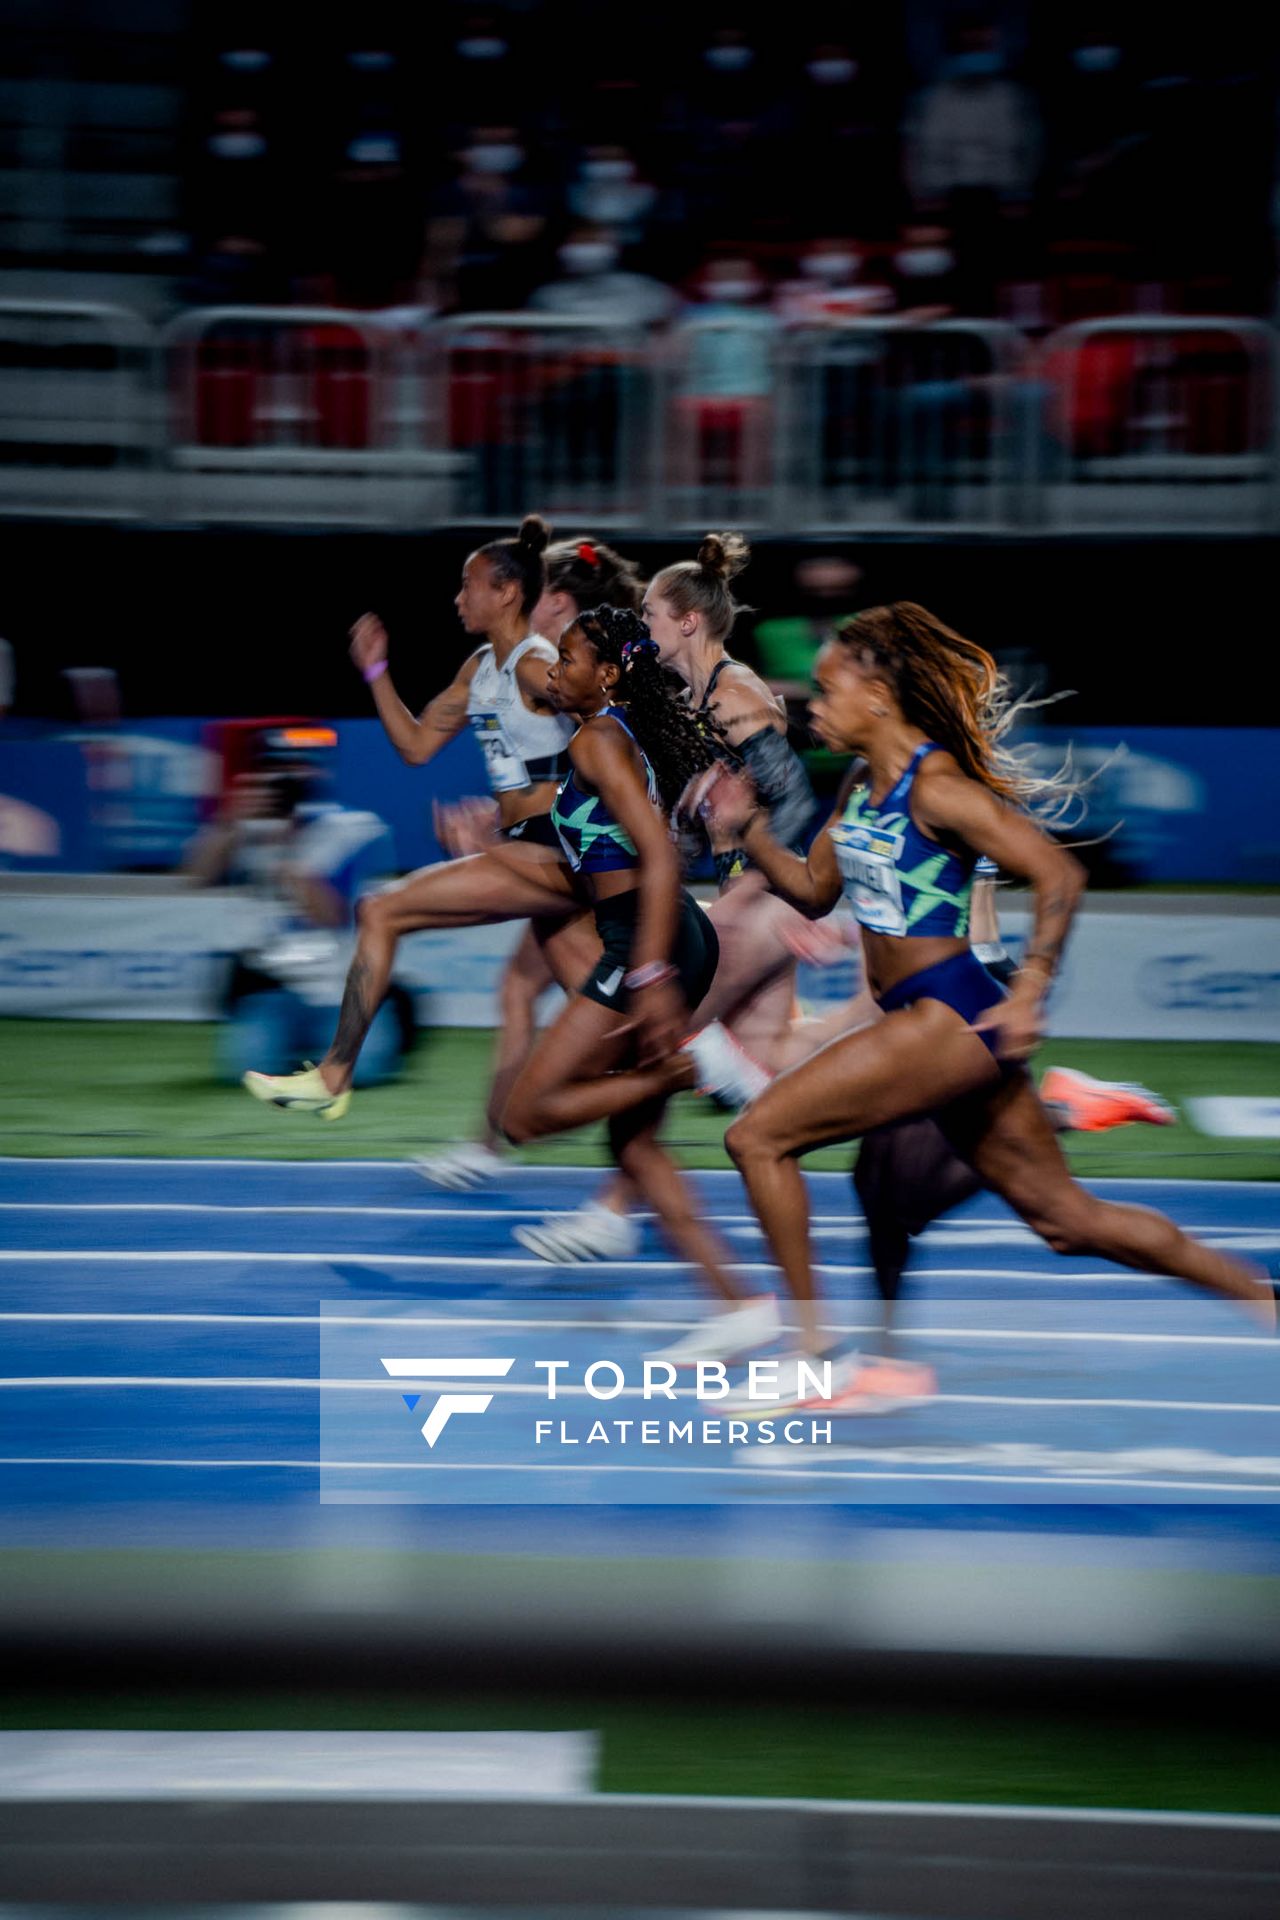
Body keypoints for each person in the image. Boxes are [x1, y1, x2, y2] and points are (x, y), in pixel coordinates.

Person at [692, 600, 1274, 1402]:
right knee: (1069, 1222)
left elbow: (1059, 873)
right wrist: (745, 833)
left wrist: (1031, 987)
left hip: (951, 1012)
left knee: (758, 1138)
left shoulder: (938, 788)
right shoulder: (863, 785)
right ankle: (1263, 1301)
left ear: (877, 697)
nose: (810, 707)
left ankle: (814, 1351)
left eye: (825, 691)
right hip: (933, 1024)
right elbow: (813, 890)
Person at [514, 532, 821, 1264]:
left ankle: (615, 1208)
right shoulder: (688, 699)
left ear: (686, 621)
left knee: (669, 1043)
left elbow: (794, 805)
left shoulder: (738, 695)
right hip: (756, 898)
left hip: (767, 901)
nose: (640, 624)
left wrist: (749, 891)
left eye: (648, 614)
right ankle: (1018, 1097)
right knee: (774, 1060)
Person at [243, 515, 598, 1120]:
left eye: (470, 585)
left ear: (508, 592)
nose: (458, 598)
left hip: (555, 850)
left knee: (381, 910)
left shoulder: (541, 665)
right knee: (600, 1005)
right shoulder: (481, 669)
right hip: (530, 851)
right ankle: (695, 1056)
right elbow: (415, 747)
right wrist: (377, 673)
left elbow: (611, 726)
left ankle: (334, 1076)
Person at [499, 604, 769, 1341]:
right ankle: (739, 1308)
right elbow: (602, 837)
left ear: (609, 675)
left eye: (568, 659)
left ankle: (693, 1066)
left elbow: (656, 853)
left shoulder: (597, 742)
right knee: (634, 1146)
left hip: (647, 944)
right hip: (663, 934)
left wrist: (647, 977)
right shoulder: (611, 738)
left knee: (523, 1116)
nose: (554, 670)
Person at [415, 532, 646, 1189]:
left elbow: (603, 766)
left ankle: (626, 1165)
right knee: (525, 988)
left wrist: (499, 835)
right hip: (573, 853)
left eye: (537, 601)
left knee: (618, 1009)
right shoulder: (542, 667)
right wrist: (504, 819)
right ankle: (493, 1141)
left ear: (558, 604)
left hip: (597, 864)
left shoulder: (567, 673)